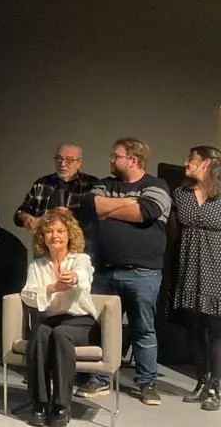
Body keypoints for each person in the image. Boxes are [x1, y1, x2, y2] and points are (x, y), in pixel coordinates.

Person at [77, 138, 170, 405]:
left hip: (143, 273)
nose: (111, 160)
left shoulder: (156, 186)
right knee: (102, 328)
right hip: (105, 271)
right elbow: (90, 205)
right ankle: (100, 379)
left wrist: (109, 209)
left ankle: (147, 383)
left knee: (144, 329)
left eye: (116, 156)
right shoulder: (105, 184)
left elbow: (146, 212)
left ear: (133, 160)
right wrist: (128, 204)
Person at [169, 146, 221, 411]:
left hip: (219, 270)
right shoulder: (181, 194)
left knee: (218, 328)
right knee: (195, 327)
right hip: (189, 268)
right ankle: (201, 382)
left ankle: (215, 388)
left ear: (206, 163)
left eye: (192, 159)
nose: (186, 163)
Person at [21, 209, 98, 427]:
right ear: (42, 237)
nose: (55, 236)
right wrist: (52, 288)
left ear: (69, 234)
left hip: (80, 321)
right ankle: (39, 403)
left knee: (61, 334)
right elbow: (27, 294)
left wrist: (73, 277)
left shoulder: (80, 259)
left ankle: (61, 405)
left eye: (60, 231)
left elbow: (84, 275)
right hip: (51, 319)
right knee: (39, 335)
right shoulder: (37, 265)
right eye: (49, 231)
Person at [14, 143, 98, 236]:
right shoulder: (42, 184)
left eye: (68, 160)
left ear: (79, 163)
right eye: (59, 159)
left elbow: (99, 218)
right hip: (47, 242)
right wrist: (28, 219)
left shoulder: (91, 184)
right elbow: (19, 213)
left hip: (82, 241)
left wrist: (72, 217)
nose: (62, 164)